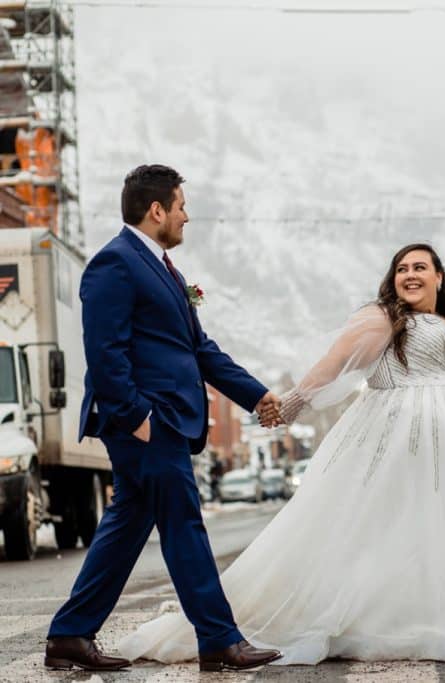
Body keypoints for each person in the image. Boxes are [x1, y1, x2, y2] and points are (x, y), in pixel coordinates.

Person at [117, 243, 445, 666]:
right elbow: (335, 362)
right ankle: (380, 617)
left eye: (420, 267)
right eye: (401, 269)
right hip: (404, 435)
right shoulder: (385, 319)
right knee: (396, 521)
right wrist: (291, 403)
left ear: (439, 275)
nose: (410, 275)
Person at [45, 165, 283, 672]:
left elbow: (198, 349)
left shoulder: (162, 268)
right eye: (180, 207)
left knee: (128, 526)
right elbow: (103, 352)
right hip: (150, 422)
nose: (186, 216)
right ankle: (219, 640)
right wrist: (138, 418)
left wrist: (256, 395)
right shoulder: (115, 263)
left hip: (161, 420)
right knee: (184, 523)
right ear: (157, 210)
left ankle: (69, 635)